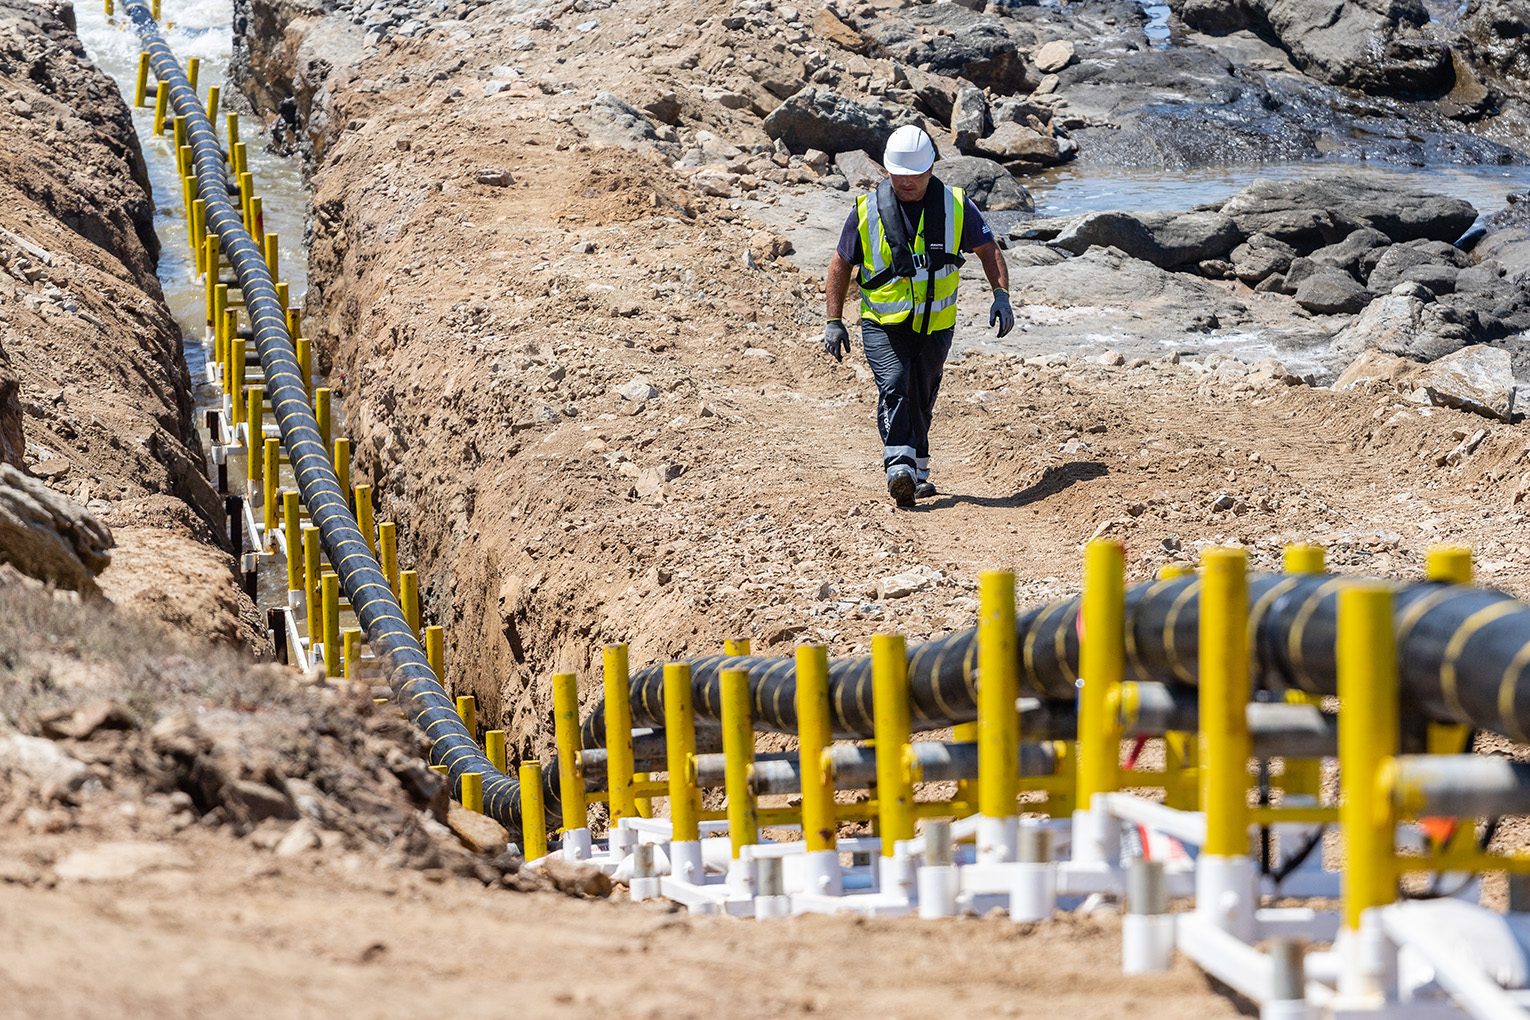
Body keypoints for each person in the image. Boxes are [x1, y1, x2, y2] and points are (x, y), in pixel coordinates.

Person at [822, 124, 1014, 507]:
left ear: (930, 170)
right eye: (898, 175)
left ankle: (918, 471)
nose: (906, 183)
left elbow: (988, 249)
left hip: (936, 324)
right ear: (887, 171)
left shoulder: (956, 206)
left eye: (914, 176)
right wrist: (834, 320)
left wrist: (1001, 295)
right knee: (895, 384)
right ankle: (898, 464)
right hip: (882, 323)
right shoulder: (866, 211)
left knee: (922, 394)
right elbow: (840, 263)